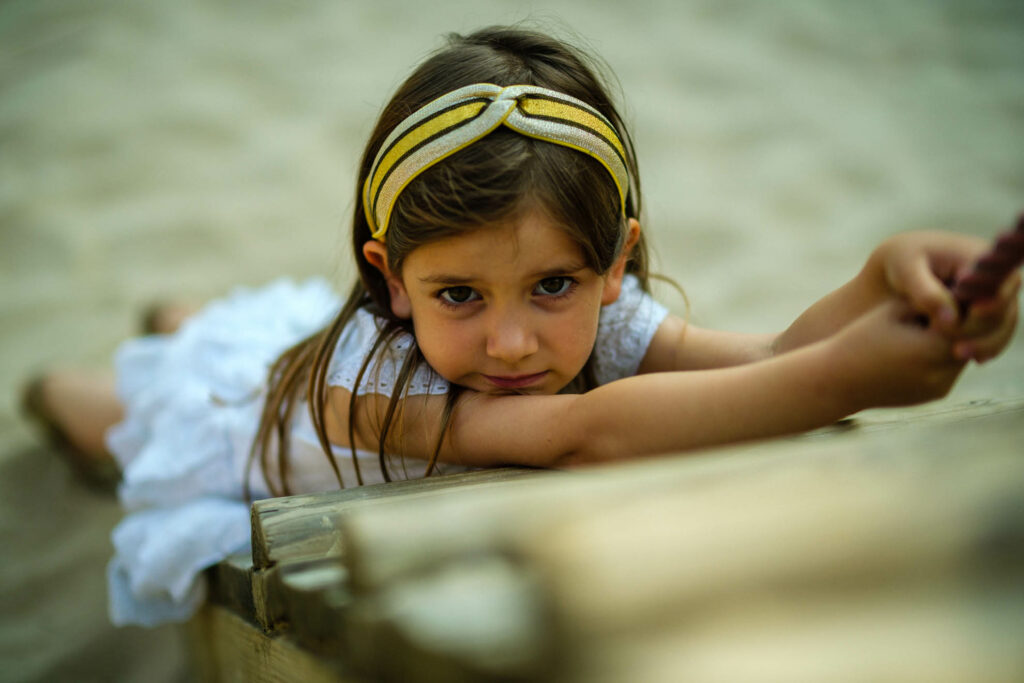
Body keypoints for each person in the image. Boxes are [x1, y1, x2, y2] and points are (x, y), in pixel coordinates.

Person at [21, 26, 1019, 627]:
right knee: (119, 402)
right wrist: (850, 376)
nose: (511, 344)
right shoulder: (363, 389)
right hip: (253, 424)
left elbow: (765, 360)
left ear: (613, 260)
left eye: (553, 284)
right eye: (460, 292)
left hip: (306, 351)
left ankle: (187, 316)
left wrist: (883, 274)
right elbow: (577, 436)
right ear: (392, 279)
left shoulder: (592, 315)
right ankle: (107, 364)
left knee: (228, 326)